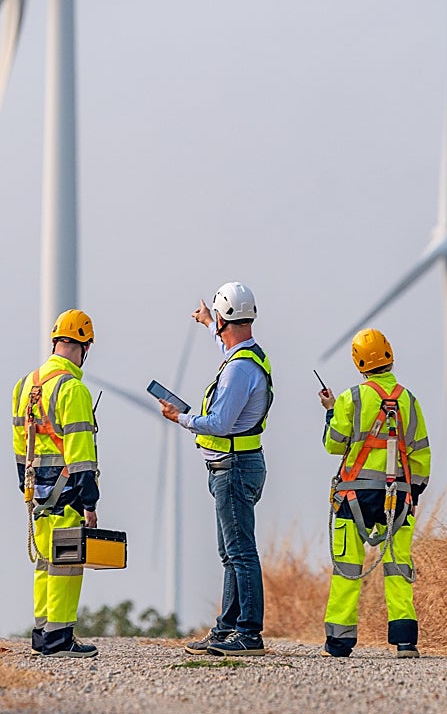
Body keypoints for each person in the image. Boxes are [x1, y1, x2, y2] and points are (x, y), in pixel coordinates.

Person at [159, 281, 273, 657]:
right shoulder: (249, 354)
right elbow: (227, 343)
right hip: (237, 464)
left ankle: (248, 633)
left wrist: (182, 417)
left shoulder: (239, 369)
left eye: (218, 321)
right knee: (231, 552)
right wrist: (208, 321)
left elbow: (220, 422)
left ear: (227, 319)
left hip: (234, 467)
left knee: (240, 552)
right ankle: (227, 627)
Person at [316, 328, 431, 658]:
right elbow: (420, 451)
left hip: (354, 496)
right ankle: (406, 642)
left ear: (358, 362)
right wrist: (414, 491)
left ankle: (339, 643)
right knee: (398, 568)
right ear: (390, 355)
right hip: (398, 496)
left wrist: (329, 410)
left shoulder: (352, 397)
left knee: (348, 569)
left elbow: (333, 444)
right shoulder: (409, 399)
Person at [11, 309, 101, 658]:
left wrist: (28, 489)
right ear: (85, 346)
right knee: (66, 564)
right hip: (67, 492)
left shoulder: (25, 385)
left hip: (38, 492)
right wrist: (89, 502)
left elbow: (20, 447)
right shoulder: (72, 388)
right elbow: (81, 453)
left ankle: (41, 634)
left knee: (45, 562)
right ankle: (60, 639)